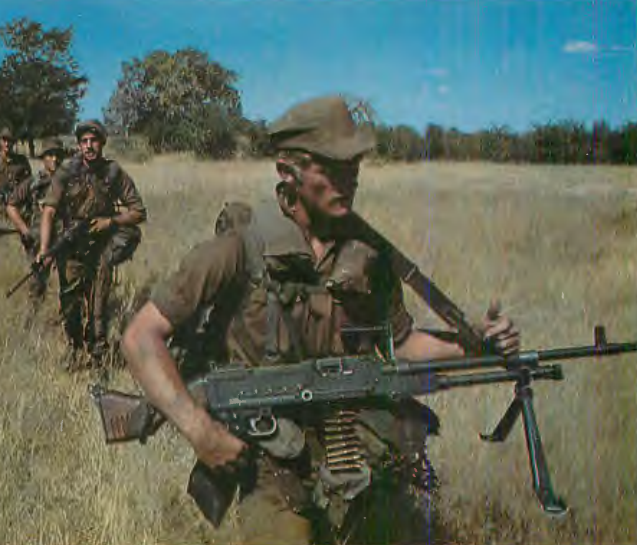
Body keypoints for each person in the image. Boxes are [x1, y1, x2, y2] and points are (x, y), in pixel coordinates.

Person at [120, 96, 521, 544]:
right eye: (331, 168)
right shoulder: (239, 250)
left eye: (354, 168)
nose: (347, 181)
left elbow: (401, 346)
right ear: (287, 170)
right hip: (270, 463)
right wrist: (200, 431)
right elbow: (140, 337)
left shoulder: (367, 257)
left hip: (353, 450)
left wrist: (476, 344)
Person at [39, 120, 145, 366]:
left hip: (101, 246)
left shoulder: (113, 172)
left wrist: (111, 222)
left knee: (98, 302)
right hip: (71, 246)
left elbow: (139, 211)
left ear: (102, 143)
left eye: (93, 141)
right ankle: (75, 348)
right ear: (78, 145)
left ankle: (98, 354)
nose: (89, 146)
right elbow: (49, 212)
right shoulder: (66, 172)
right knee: (69, 303)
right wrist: (45, 250)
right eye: (84, 141)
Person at [6, 138, 65, 303]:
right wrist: (25, 229)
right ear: (43, 158)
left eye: (58, 155)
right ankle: (33, 318)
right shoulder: (33, 182)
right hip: (38, 239)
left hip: (64, 237)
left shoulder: (69, 182)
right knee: (37, 282)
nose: (55, 159)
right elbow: (11, 206)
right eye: (50, 155)